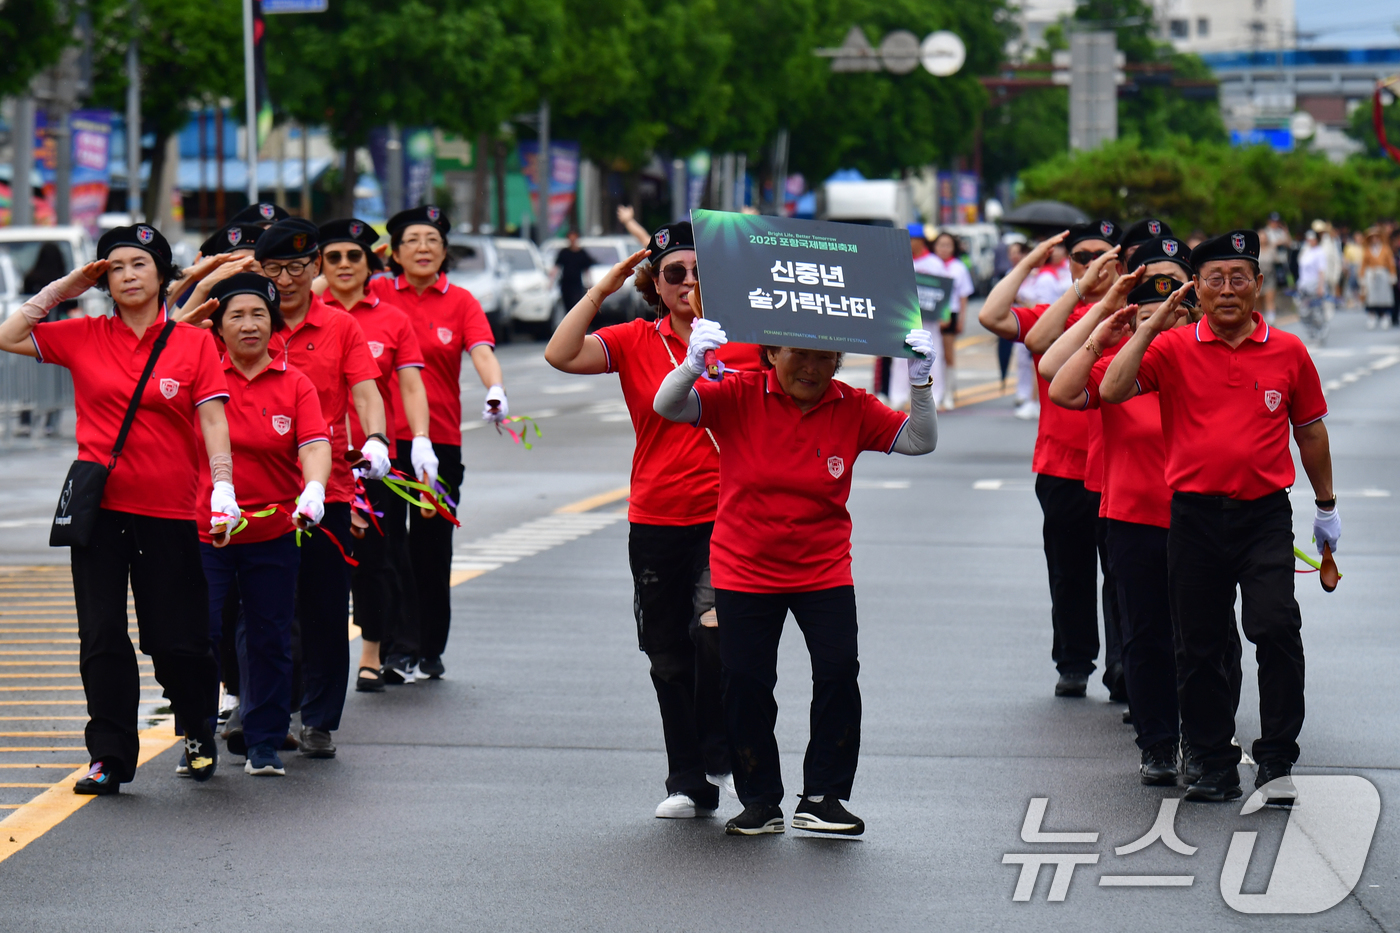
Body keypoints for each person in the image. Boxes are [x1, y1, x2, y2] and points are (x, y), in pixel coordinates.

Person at [653, 319, 939, 836]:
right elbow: (668, 406)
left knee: (837, 672)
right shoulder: (736, 392)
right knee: (746, 682)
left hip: (822, 567)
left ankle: (824, 796)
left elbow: (919, 440)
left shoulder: (851, 404)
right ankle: (760, 800)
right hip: (745, 567)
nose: (811, 367)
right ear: (771, 352)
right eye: (798, 354)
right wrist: (693, 365)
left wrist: (920, 384)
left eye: (825, 356)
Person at [1100, 230, 1335, 805]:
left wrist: (1327, 508)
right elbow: (1111, 387)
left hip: (1263, 517)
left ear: (1257, 285)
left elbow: (1309, 429)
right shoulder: (1172, 349)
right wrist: (1154, 324)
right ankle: (1211, 761)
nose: (1227, 290)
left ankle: (1277, 757)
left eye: (1239, 278)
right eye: (1213, 280)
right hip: (1195, 516)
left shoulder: (1288, 351)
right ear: (1195, 289)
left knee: (1275, 626)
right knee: (1199, 644)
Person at [0, 224, 234, 793]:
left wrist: (222, 488)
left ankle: (197, 726)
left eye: (140, 264)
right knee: (101, 634)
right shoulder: (83, 334)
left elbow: (212, 420)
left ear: (161, 274)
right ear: (105, 278)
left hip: (170, 511)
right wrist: (65, 286)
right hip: (99, 512)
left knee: (175, 638)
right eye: (116, 266)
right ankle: (108, 754)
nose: (129, 275)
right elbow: (9, 335)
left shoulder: (192, 342)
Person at [545, 222, 762, 820]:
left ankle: (724, 746)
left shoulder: (750, 339)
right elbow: (561, 354)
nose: (689, 283)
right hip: (658, 514)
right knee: (666, 654)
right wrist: (599, 289)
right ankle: (689, 780)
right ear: (656, 285)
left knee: (716, 636)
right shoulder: (638, 339)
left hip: (731, 514)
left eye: (701, 272)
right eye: (675, 274)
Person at [1043, 268, 1220, 785]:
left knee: (1203, 637)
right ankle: (1158, 743)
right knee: (1146, 638)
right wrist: (1107, 333)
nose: (1160, 327)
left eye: (1171, 319)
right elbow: (1060, 386)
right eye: (1148, 319)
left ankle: (1205, 738)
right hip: (1132, 521)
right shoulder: (1120, 374)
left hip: (1201, 519)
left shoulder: (1203, 365)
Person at [250, 218, 391, 757]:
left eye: (299, 267)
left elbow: (365, 390)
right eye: (275, 268)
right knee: (263, 611)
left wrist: (375, 437)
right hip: (256, 494)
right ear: (259, 270)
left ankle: (320, 718)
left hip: (325, 488)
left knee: (325, 607)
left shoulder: (340, 327)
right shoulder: (242, 321)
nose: (287, 279)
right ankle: (265, 709)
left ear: (316, 270)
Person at [981, 223, 1124, 699]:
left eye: (1105, 256)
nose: (1094, 264)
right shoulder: (1060, 314)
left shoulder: (1133, 317)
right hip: (1062, 465)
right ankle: (1074, 661)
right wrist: (1030, 259)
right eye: (1082, 256)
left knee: (1124, 573)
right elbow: (993, 316)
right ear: (1070, 264)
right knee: (1069, 569)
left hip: (1119, 467)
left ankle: (1125, 666)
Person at [197, 273, 332, 777]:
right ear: (219, 326)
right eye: (236, 315)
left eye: (259, 314)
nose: (249, 325)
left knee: (269, 637)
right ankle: (195, 733)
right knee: (202, 632)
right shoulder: (203, 376)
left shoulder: (294, 382)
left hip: (274, 530)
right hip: (208, 531)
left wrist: (313, 488)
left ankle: (265, 742)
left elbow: (314, 443)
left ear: (273, 324)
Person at [369, 205, 507, 680]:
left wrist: (495, 388)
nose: (424, 248)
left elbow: (482, 350)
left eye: (433, 240)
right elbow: (325, 293)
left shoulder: (462, 302)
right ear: (393, 252)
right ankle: (393, 646)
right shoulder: (375, 292)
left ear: (445, 251)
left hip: (439, 442)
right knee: (385, 550)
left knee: (431, 547)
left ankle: (429, 647)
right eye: (413, 241)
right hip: (380, 444)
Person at [317, 218, 433, 689]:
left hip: (373, 456)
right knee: (315, 560)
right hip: (308, 458)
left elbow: (408, 384)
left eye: (354, 257)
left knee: (377, 558)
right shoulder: (299, 313)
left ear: (371, 265)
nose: (345, 265)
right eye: (334, 257)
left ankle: (371, 651)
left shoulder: (392, 319)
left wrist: (420, 440)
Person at [916, 231, 974, 411]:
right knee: (928, 354)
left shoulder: (958, 267)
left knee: (947, 355)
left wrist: (961, 319)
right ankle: (929, 391)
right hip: (930, 315)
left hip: (951, 314)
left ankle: (948, 393)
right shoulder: (929, 264)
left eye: (948, 245)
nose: (944, 249)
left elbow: (963, 295)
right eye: (940, 245)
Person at [551, 229, 597, 317]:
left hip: (577, 284)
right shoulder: (564, 252)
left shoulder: (582, 253)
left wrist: (589, 283)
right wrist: (551, 282)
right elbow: (557, 267)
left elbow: (587, 269)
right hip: (565, 284)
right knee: (567, 306)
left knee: (575, 304)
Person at [1360, 230, 1397, 330]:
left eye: (1376, 237)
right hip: (1371, 275)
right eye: (1372, 238)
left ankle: (1385, 316)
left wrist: (1393, 275)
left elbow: (1391, 263)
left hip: (1383, 274)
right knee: (1371, 298)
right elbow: (1363, 265)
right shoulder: (1367, 250)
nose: (1374, 239)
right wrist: (1362, 277)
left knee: (1384, 297)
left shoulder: (1385, 249)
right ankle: (1372, 316)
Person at [1260, 213, 1292, 321]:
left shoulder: (1280, 232)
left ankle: (1272, 317)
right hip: (1264, 265)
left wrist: (1286, 233)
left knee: (1272, 292)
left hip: (1278, 264)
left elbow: (1289, 244)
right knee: (1261, 296)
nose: (1275, 223)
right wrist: (1275, 244)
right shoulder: (1266, 232)